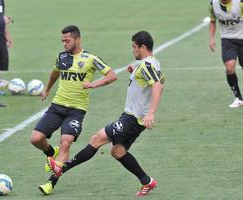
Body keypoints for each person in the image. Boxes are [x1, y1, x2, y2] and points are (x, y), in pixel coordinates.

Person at [48, 31, 164, 197]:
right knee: (117, 151)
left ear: (143, 47)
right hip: (133, 118)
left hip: (133, 119)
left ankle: (61, 168)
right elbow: (160, 82)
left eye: (134, 47)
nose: (133, 50)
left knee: (97, 138)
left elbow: (158, 86)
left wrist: (151, 113)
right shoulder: (152, 63)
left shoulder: (146, 65)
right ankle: (147, 181)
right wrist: (135, 69)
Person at [30, 25, 117, 195]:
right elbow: (55, 74)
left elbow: (112, 75)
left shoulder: (90, 58)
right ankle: (50, 151)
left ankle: (51, 183)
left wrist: (94, 84)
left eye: (67, 40)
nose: (64, 44)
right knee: (35, 139)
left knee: (66, 142)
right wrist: (47, 89)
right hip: (57, 106)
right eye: (62, 41)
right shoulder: (61, 57)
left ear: (77, 39)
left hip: (76, 110)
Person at [209, 0, 243, 108]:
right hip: (228, 39)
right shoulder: (213, 4)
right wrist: (212, 39)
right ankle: (238, 98)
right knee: (229, 67)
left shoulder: (240, 3)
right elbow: (213, 21)